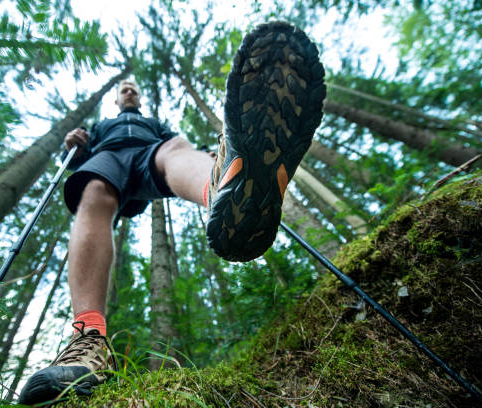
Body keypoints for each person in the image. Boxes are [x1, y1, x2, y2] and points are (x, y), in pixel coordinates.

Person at [19, 21, 325, 404]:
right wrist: (76, 143)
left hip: (152, 151)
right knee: (93, 191)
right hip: (106, 156)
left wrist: (206, 156)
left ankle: (227, 184)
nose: (128, 90)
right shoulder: (102, 125)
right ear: (117, 100)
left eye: (132, 88)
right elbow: (77, 157)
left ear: (138, 97)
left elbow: (175, 148)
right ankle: (88, 341)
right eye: (123, 89)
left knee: (176, 148)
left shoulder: (153, 123)